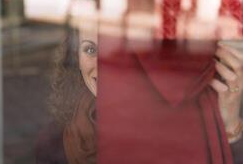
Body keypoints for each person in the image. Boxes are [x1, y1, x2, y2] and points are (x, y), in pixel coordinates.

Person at [36, 25, 243, 164]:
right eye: (90, 50)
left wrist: (229, 125)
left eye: (119, 49)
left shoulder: (186, 124)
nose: (103, 67)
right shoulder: (54, 142)